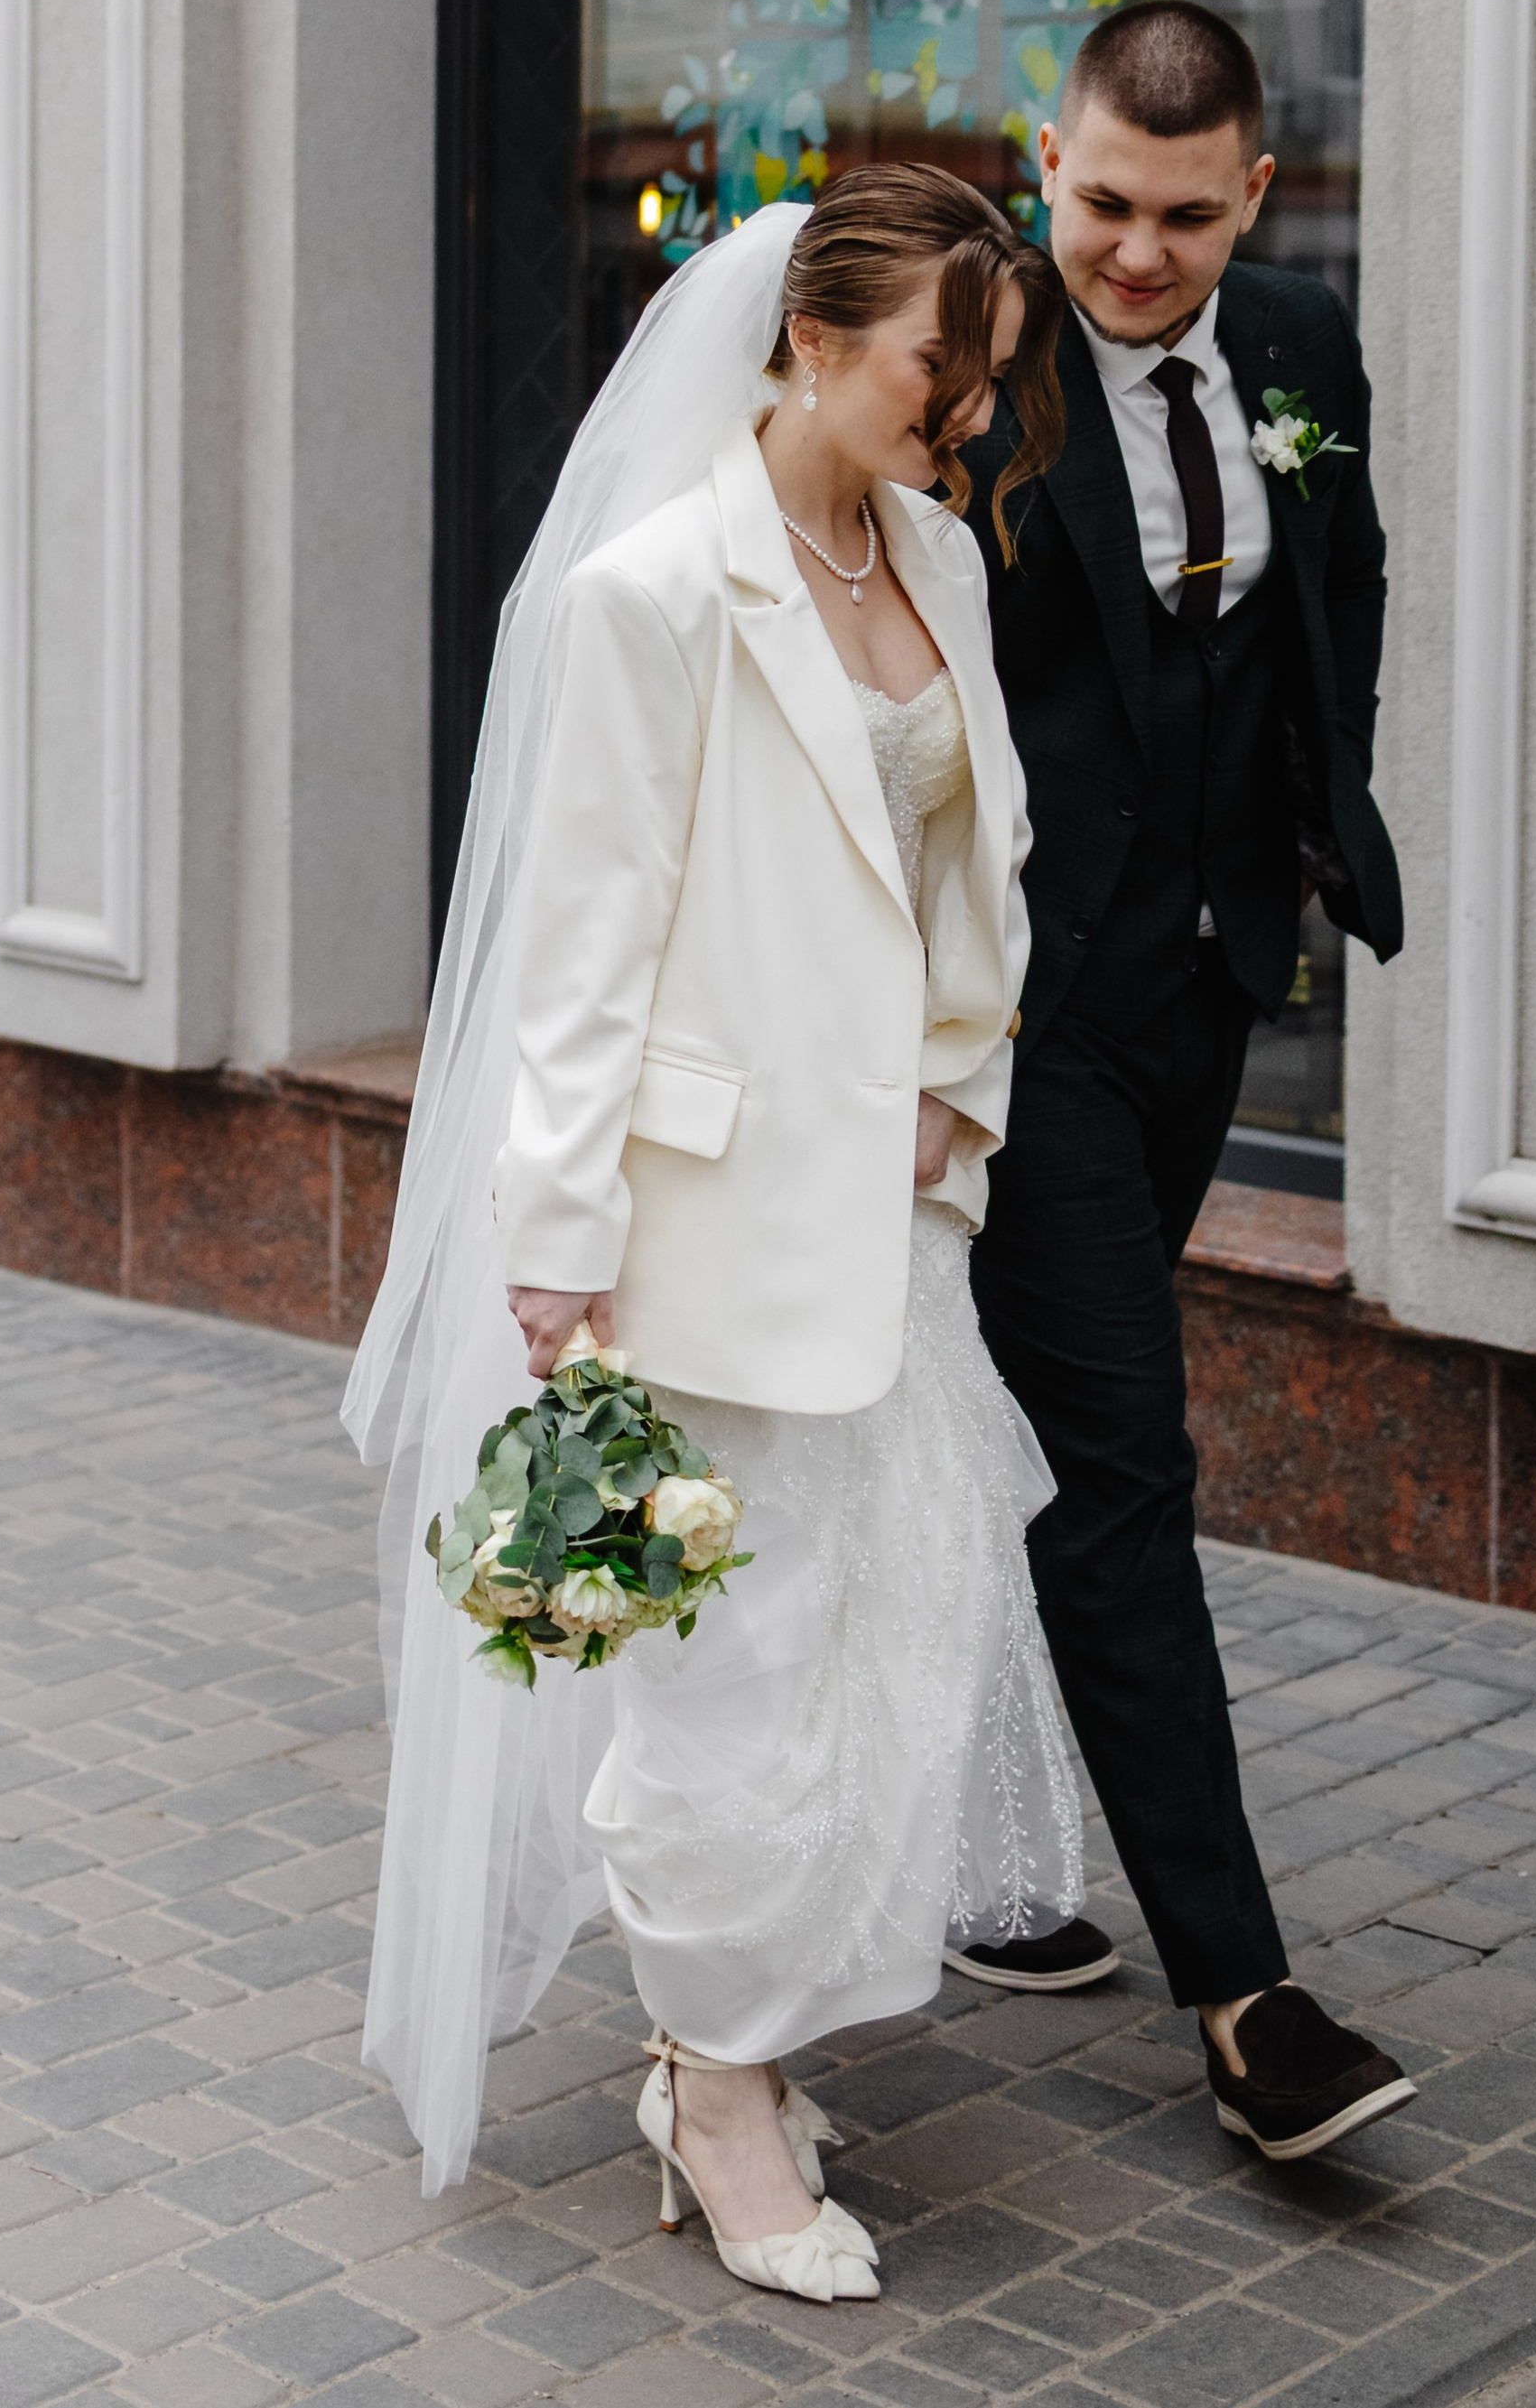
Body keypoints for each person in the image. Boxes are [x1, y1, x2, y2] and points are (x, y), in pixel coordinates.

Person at [345, 168, 1083, 2297]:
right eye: (942, 370)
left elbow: (974, 861)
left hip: (901, 1214)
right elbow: (580, 956)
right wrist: (554, 1247)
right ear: (810, 339)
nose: (968, 414)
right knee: (727, 1682)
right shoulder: (651, 595)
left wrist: (966, 1081)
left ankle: (749, 2021)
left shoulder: (932, 545)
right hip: (699, 1229)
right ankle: (715, 2081)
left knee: (888, 1646)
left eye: (986, 377)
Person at [952, 0, 1417, 2166]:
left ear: (1253, 190)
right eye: (1098, 206)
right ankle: (1243, 1994)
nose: (1132, 256)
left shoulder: (1300, 330)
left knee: (1040, 1441)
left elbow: (1344, 561)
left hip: (1213, 979)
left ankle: (982, 1832)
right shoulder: (971, 353)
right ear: (1047, 167)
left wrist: (1324, 800)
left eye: (1177, 216)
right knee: (1127, 1461)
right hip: (1017, 1014)